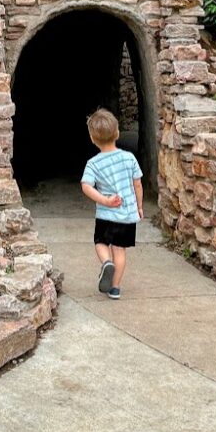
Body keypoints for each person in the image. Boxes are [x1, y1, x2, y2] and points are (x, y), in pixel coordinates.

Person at [80, 109, 143, 299]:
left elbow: (86, 186)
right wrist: (139, 207)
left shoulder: (93, 163)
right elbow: (138, 184)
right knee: (120, 250)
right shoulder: (129, 157)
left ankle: (106, 262)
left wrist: (105, 200)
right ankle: (115, 288)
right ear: (117, 133)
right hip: (127, 215)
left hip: (107, 215)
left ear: (92, 138)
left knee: (100, 243)